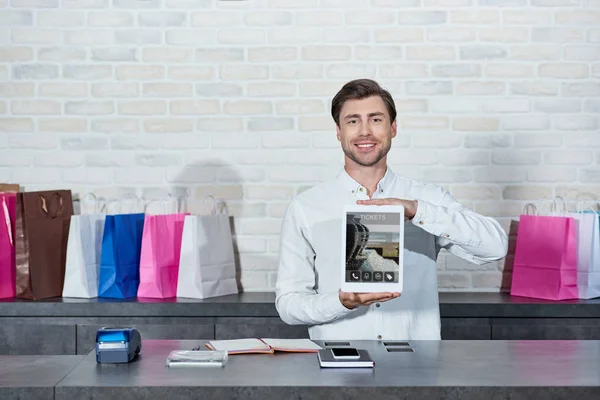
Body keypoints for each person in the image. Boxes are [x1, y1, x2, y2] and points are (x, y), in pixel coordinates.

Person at [274, 78, 508, 341]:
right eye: (353, 121)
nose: (364, 131)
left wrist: (418, 212)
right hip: (339, 365)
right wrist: (341, 301)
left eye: (375, 119)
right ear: (339, 131)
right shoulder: (306, 208)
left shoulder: (427, 198)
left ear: (393, 127)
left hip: (418, 366)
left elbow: (495, 247)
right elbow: (289, 305)